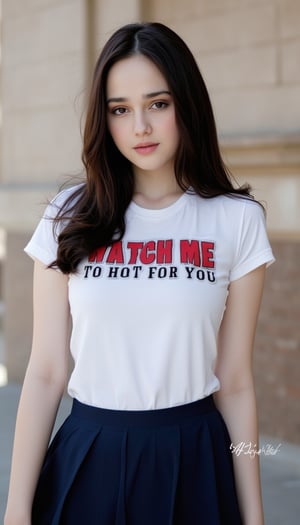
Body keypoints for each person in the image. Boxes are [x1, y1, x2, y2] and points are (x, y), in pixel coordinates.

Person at [4, 22, 274, 525]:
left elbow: (235, 383)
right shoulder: (68, 217)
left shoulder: (237, 220)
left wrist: (253, 513)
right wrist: (16, 509)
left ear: (186, 104)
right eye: (120, 110)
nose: (140, 127)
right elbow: (44, 375)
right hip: (91, 456)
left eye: (158, 104)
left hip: (197, 457)